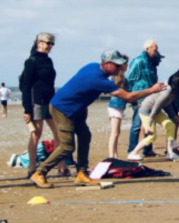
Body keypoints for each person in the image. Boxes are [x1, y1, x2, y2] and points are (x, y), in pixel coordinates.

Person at [30, 50, 166, 189]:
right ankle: (39, 173)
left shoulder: (93, 66)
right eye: (116, 65)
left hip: (76, 110)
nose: (119, 68)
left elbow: (79, 90)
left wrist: (82, 109)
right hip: (62, 109)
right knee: (67, 146)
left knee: (85, 136)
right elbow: (128, 97)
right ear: (107, 64)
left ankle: (82, 173)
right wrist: (151, 90)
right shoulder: (100, 80)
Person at [19, 32, 68, 180]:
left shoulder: (49, 61)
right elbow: (25, 85)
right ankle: (32, 168)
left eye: (52, 43)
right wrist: (27, 109)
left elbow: (50, 83)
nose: (49, 46)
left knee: (59, 133)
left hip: (50, 101)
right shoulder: (31, 61)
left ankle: (62, 167)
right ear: (38, 43)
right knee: (36, 134)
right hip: (36, 102)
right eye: (47, 42)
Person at [128, 73, 179, 162]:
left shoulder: (174, 92)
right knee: (152, 135)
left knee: (170, 125)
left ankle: (170, 153)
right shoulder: (168, 90)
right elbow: (156, 106)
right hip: (147, 111)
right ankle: (133, 153)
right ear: (177, 82)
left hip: (155, 111)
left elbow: (167, 105)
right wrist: (148, 123)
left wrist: (174, 116)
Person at [126, 39, 163, 157]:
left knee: (150, 123)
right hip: (139, 97)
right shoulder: (138, 61)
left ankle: (147, 149)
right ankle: (131, 150)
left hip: (151, 97)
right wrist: (133, 99)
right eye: (154, 49)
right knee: (137, 125)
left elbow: (154, 80)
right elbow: (129, 80)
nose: (156, 51)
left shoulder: (152, 62)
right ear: (147, 49)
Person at [107, 63, 129, 159]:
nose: (127, 66)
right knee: (114, 132)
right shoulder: (114, 77)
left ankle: (115, 155)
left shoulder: (123, 78)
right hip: (115, 106)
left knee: (117, 132)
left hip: (119, 106)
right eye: (125, 64)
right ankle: (112, 156)